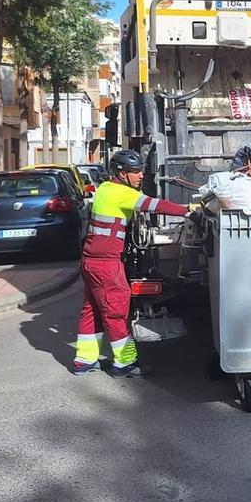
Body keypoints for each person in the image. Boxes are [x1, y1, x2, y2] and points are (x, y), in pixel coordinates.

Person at [72, 149, 201, 377]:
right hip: (107, 264)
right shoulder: (122, 193)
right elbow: (155, 204)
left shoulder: (104, 189)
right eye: (135, 171)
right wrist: (187, 211)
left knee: (91, 309)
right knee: (116, 312)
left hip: (90, 260)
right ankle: (125, 363)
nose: (141, 175)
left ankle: (84, 360)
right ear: (122, 174)